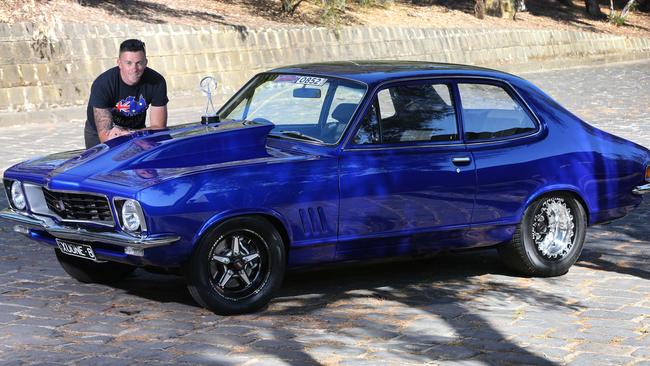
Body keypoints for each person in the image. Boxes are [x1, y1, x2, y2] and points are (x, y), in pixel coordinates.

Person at [84, 39, 169, 148]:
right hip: (99, 132)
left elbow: (159, 127)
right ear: (119, 63)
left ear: (145, 63)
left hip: (136, 130)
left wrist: (130, 133)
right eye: (128, 63)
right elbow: (104, 135)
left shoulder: (157, 82)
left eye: (139, 63)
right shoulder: (103, 84)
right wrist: (121, 135)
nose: (134, 69)